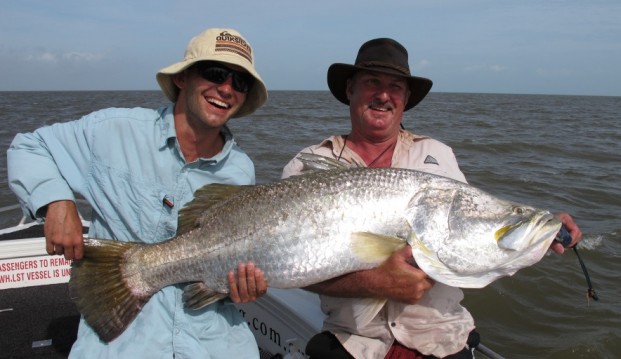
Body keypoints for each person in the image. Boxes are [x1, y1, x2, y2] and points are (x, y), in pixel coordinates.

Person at [282, 38, 583, 359]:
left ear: (406, 98)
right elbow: (293, 267)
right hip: (353, 341)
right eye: (372, 82)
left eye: (395, 86)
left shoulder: (436, 155)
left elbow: (468, 241)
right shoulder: (309, 163)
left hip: (441, 337)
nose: (383, 95)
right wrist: (373, 283)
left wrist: (542, 233)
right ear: (349, 90)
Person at [8, 28, 270, 358]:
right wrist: (56, 202)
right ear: (183, 79)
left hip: (213, 341)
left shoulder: (241, 169)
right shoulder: (113, 131)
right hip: (126, 340)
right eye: (215, 73)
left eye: (240, 82)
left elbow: (223, 270)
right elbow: (30, 146)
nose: (227, 88)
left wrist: (238, 289)